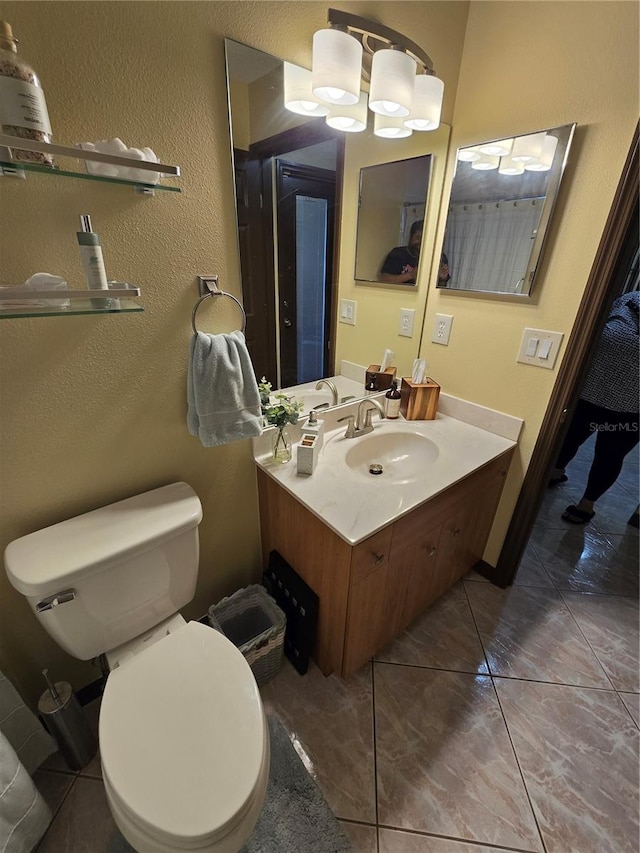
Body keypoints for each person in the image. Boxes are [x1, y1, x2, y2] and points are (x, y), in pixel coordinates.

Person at [548, 290, 639, 524]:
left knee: (608, 455)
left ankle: (586, 504)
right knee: (568, 439)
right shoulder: (627, 299)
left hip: (630, 410)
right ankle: (556, 471)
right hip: (590, 395)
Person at [379, 220, 423, 284]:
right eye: (418, 238)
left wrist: (442, 279)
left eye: (424, 240)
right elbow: (383, 279)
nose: (420, 242)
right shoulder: (398, 254)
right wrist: (410, 275)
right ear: (410, 237)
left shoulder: (438, 258)